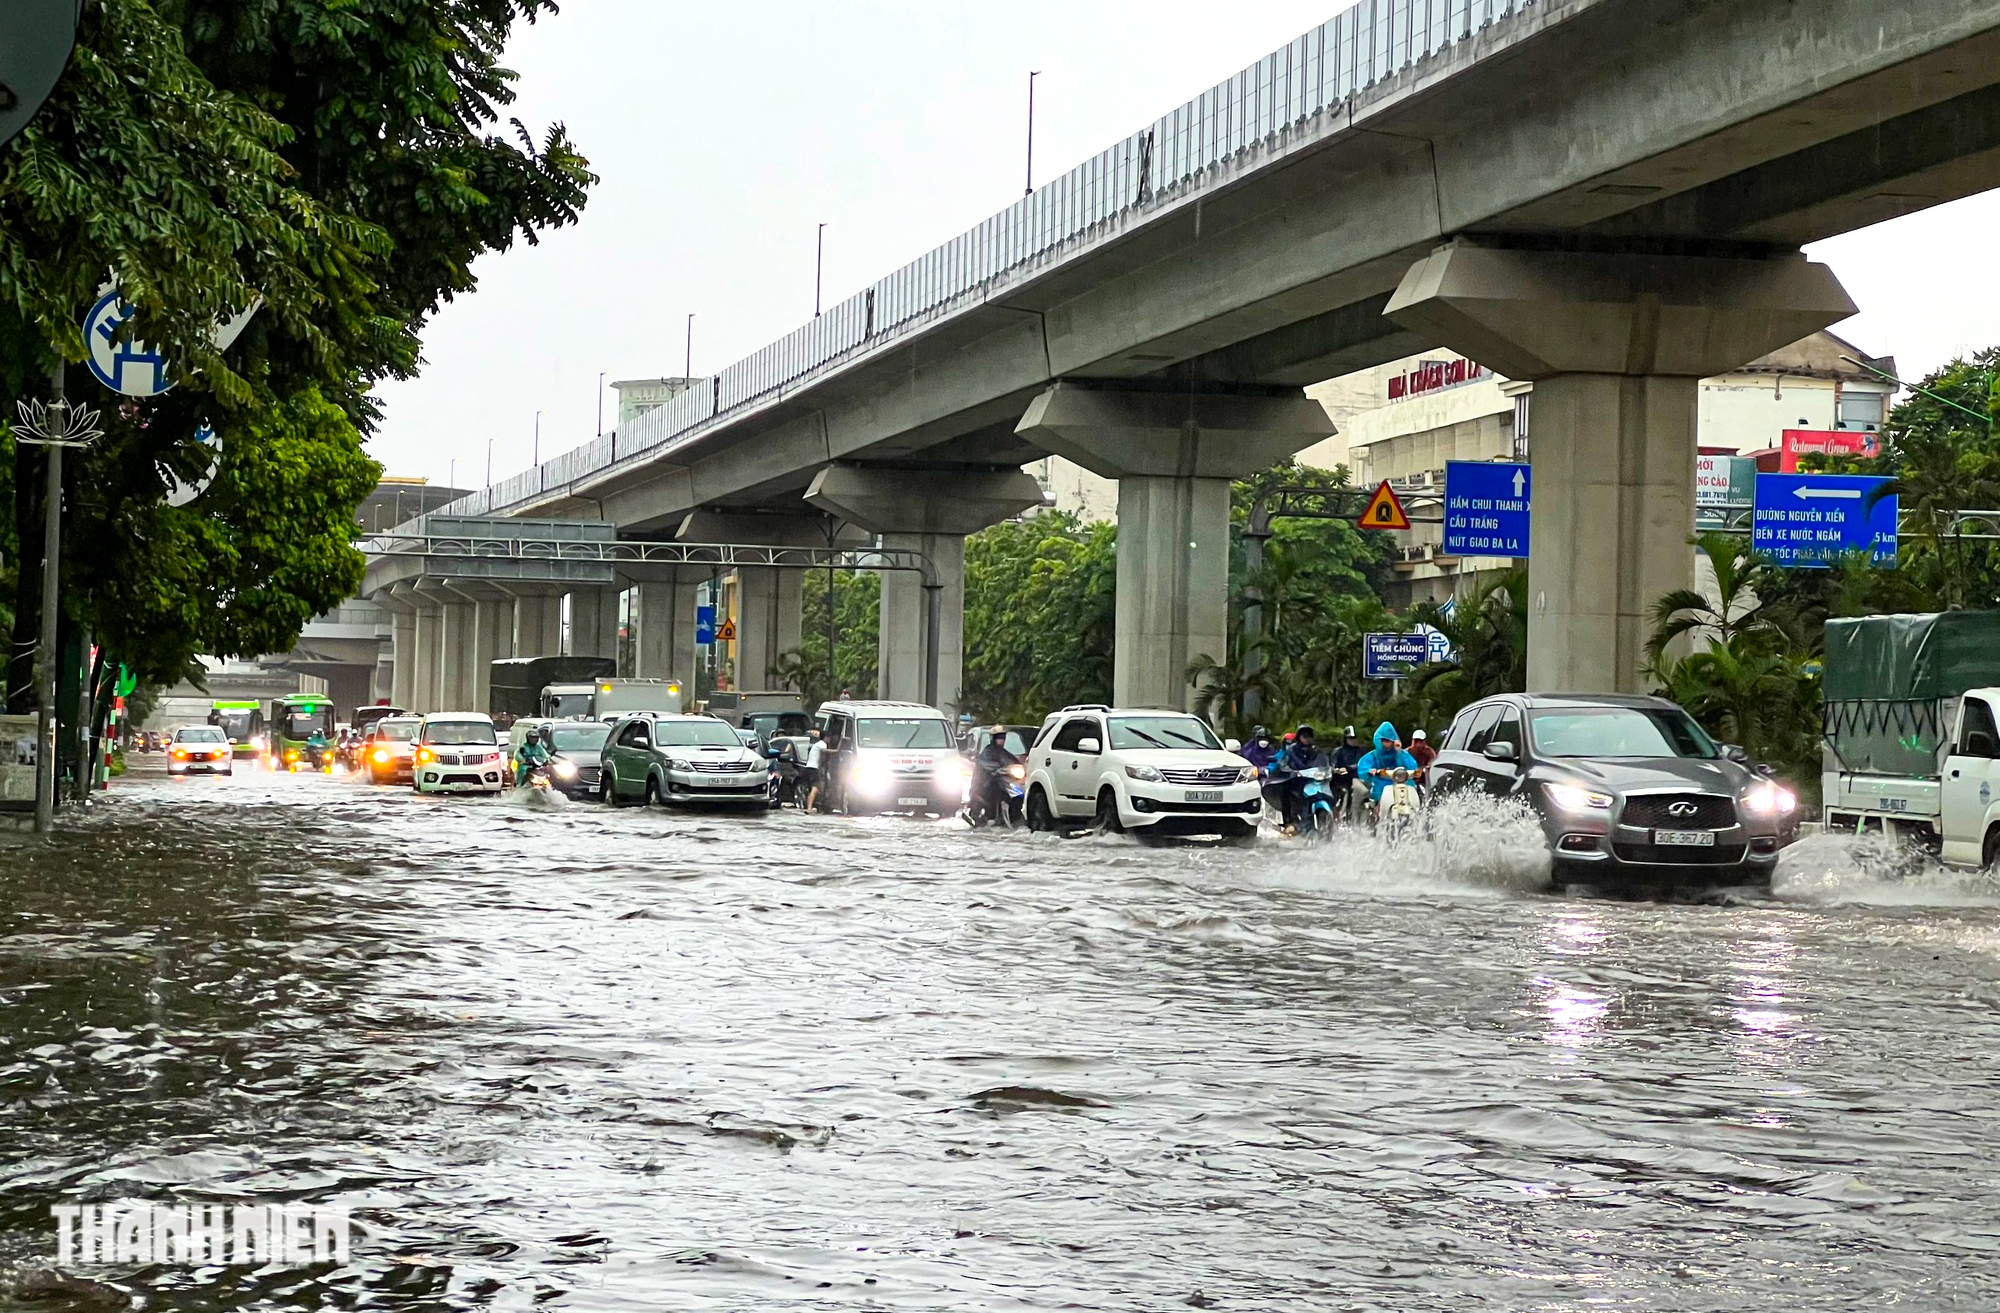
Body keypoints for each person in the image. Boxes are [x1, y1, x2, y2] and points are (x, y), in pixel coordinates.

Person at [1355, 722, 1421, 820]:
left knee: (1416, 800)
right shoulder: (1373, 756)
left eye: (1389, 740)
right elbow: (1363, 767)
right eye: (1383, 740)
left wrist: (1398, 752)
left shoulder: (1402, 754)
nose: (1386, 743)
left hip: (1404, 784)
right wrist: (1370, 771)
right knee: (1377, 799)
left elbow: (1412, 766)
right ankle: (1377, 816)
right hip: (1382, 785)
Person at [1274, 725, 1328, 829]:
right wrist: (1291, 772)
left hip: (1313, 782)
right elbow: (1283, 763)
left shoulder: (1317, 751)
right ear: (1299, 737)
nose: (1307, 739)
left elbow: (1324, 762)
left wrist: (1328, 769)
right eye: (1304, 736)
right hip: (1296, 782)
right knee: (1285, 791)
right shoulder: (1291, 750)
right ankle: (1288, 821)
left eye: (1309, 736)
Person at [971, 727, 1021, 823]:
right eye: (998, 737)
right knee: (995, 788)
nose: (1001, 740)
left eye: (1003, 737)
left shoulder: (1005, 753)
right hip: (987, 784)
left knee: (1018, 793)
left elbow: (1014, 762)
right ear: (993, 738)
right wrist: (998, 770)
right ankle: (990, 815)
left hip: (1006, 783)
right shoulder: (987, 753)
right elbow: (987, 765)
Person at [1329, 726, 1367, 819]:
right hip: (1341, 781)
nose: (1353, 741)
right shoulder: (1338, 751)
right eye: (1350, 738)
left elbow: (1363, 764)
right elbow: (1332, 765)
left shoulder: (1361, 751)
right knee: (1341, 793)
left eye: (1355, 738)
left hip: (1358, 779)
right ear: (1345, 739)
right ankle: (1339, 814)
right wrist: (1336, 770)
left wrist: (1348, 768)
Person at [802, 727, 826, 812]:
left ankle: (811, 807)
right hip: (813, 769)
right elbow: (827, 752)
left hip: (808, 768)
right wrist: (838, 750)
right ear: (826, 738)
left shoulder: (817, 744)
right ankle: (809, 808)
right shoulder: (823, 744)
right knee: (815, 788)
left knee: (813, 789)